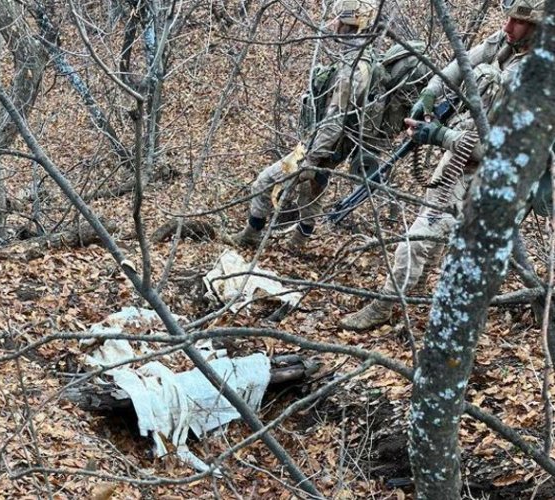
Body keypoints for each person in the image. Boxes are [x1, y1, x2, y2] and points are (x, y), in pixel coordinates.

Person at [339, 0, 544, 331]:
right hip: (462, 157)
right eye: (508, 20)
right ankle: (414, 292)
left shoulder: (537, 81)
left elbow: (500, 150)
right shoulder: (508, 41)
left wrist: (439, 135)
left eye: (518, 23)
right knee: (436, 227)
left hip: (494, 176)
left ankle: (386, 305)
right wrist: (428, 97)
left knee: (419, 238)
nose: (507, 27)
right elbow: (460, 65)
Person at [225, 0, 389, 252]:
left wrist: (311, 158)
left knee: (265, 181)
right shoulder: (359, 60)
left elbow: (334, 120)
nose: (334, 27)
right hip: (333, 147)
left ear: (354, 28)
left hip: (324, 146)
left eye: (342, 23)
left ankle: (251, 234)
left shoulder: (352, 70)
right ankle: (297, 245)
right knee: (310, 194)